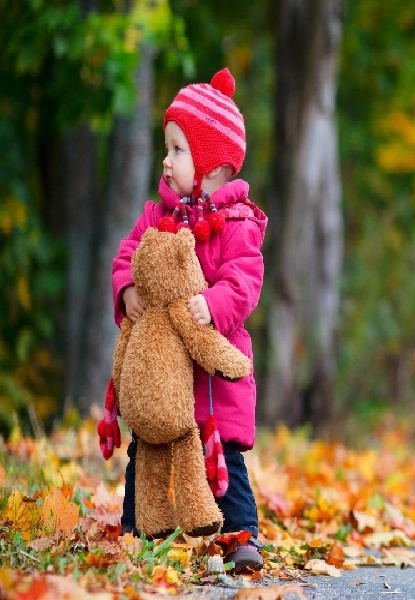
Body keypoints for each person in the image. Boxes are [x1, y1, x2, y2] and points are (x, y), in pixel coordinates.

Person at [110, 68, 267, 572]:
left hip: (214, 378)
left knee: (225, 461)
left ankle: (241, 536)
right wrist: (128, 289)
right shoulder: (157, 216)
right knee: (146, 449)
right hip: (163, 375)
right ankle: (137, 529)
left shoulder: (237, 223)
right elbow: (127, 255)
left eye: (178, 149)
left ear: (214, 166)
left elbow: (245, 279)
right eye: (167, 147)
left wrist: (215, 305)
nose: (167, 158)